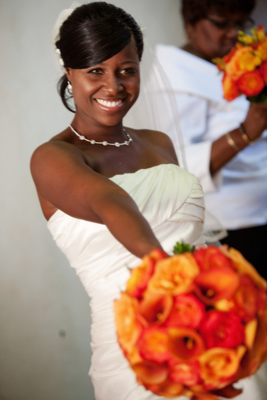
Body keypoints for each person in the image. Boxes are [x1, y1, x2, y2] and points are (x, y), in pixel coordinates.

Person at [30, 3, 205, 399]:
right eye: (95, 71)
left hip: (203, 326)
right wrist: (171, 277)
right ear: (69, 73)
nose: (113, 86)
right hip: (131, 344)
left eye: (126, 70)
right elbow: (111, 203)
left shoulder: (159, 144)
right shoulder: (54, 157)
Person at [154, 0, 267, 278]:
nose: (233, 34)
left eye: (240, 24)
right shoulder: (174, 76)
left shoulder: (231, 63)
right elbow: (176, 169)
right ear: (191, 23)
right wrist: (243, 134)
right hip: (237, 227)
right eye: (221, 23)